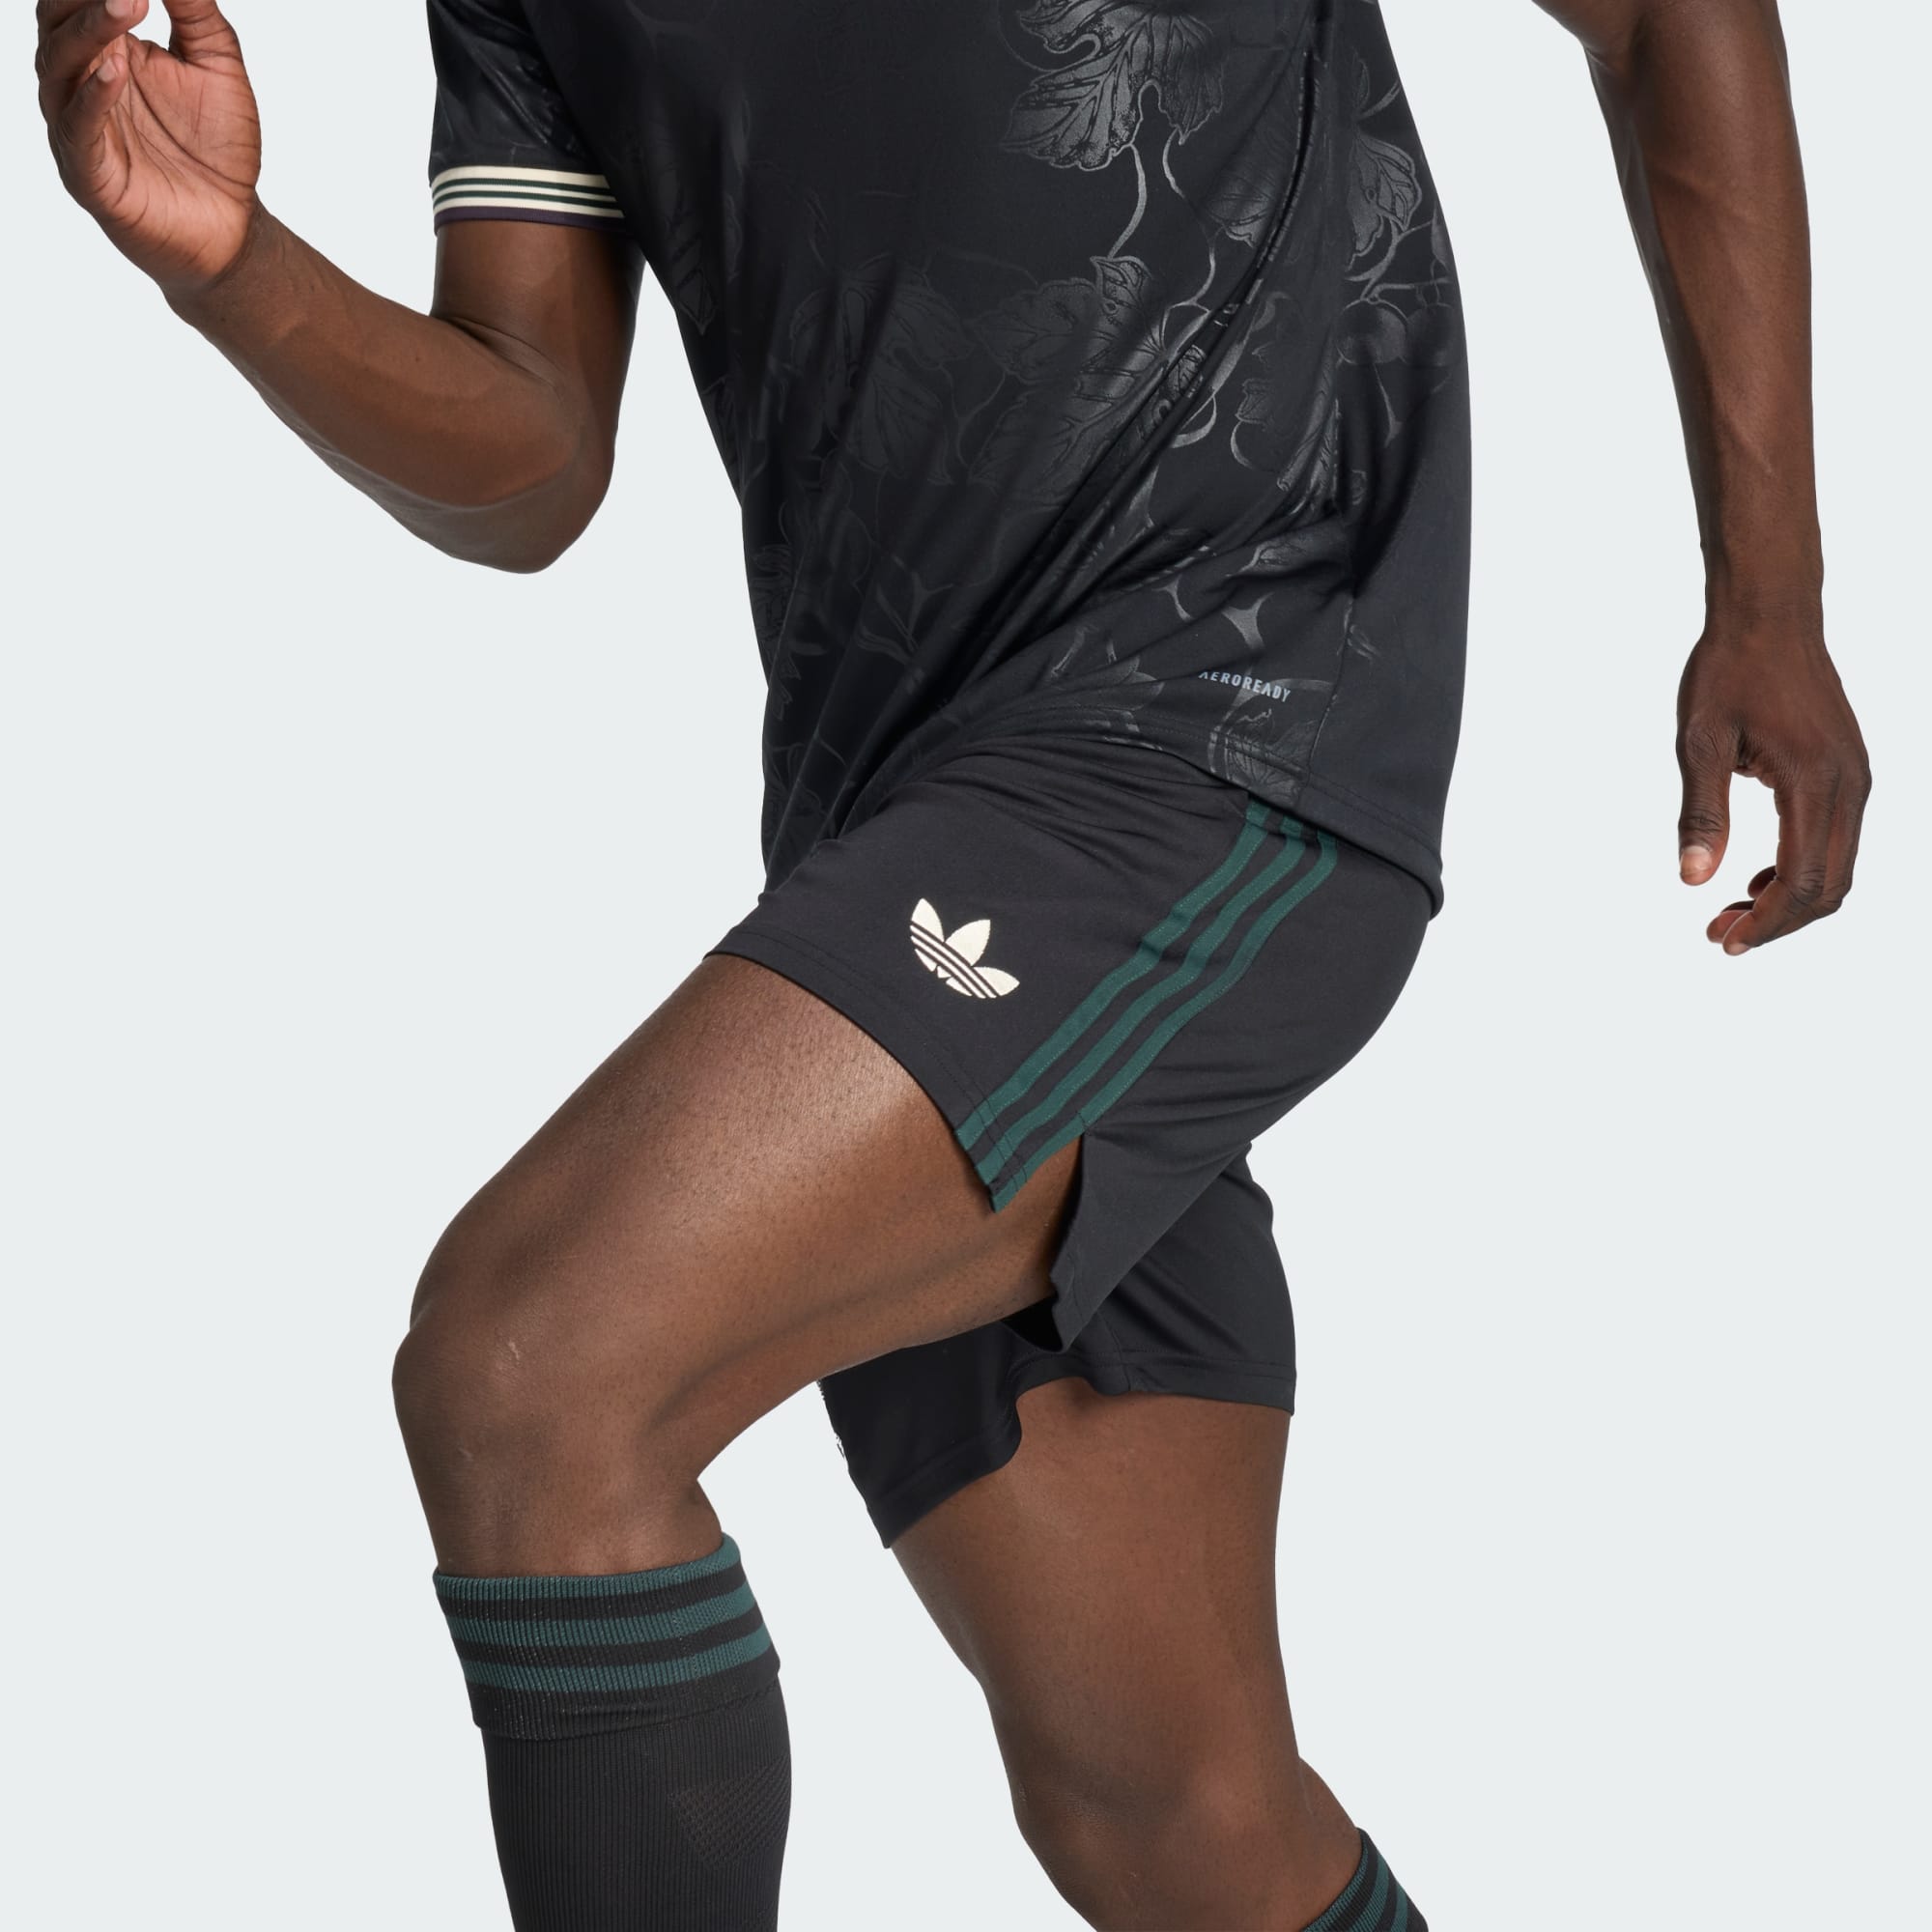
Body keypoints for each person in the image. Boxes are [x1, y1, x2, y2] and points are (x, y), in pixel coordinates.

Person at [37, 0, 1869, 1924]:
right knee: (1173, 1817)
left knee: (536, 1370)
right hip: (902, 832)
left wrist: (1769, 596)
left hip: (1225, 727)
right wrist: (232, 266)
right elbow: (531, 452)